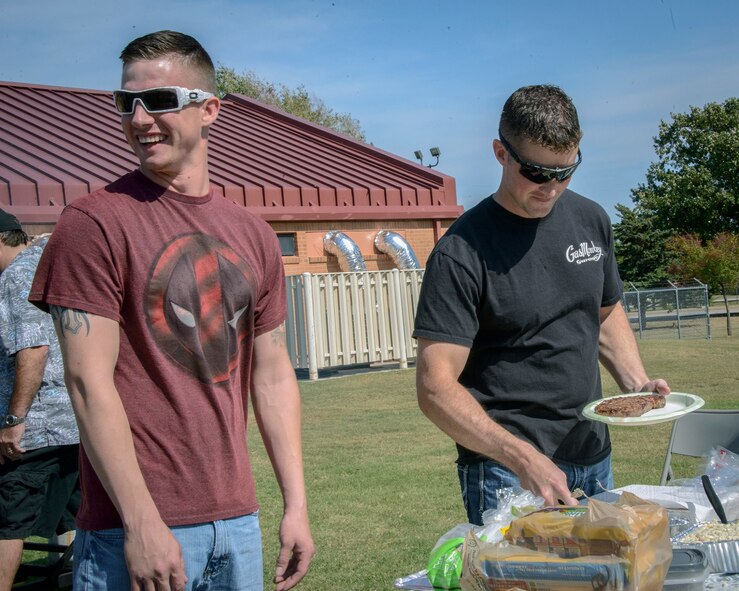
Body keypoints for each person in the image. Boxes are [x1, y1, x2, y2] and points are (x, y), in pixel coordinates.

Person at [29, 30, 314, 591]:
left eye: (158, 101)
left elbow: (274, 374)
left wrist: (296, 504)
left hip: (237, 522)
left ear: (209, 110)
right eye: (125, 102)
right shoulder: (93, 223)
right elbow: (89, 384)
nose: (138, 119)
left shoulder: (251, 233)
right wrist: (140, 522)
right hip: (131, 531)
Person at [412, 84, 670, 526]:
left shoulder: (592, 220)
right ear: (500, 153)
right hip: (508, 472)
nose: (551, 188)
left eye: (565, 172)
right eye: (535, 172)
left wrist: (638, 384)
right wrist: (522, 458)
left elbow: (604, 315)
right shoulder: (462, 251)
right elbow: (435, 388)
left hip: (592, 455)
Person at [0, 210, 79, 591]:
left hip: (39, 425)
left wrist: (14, 421)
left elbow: (33, 348)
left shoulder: (17, 276)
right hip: (75, 419)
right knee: (86, 512)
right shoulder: (48, 260)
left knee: (7, 520)